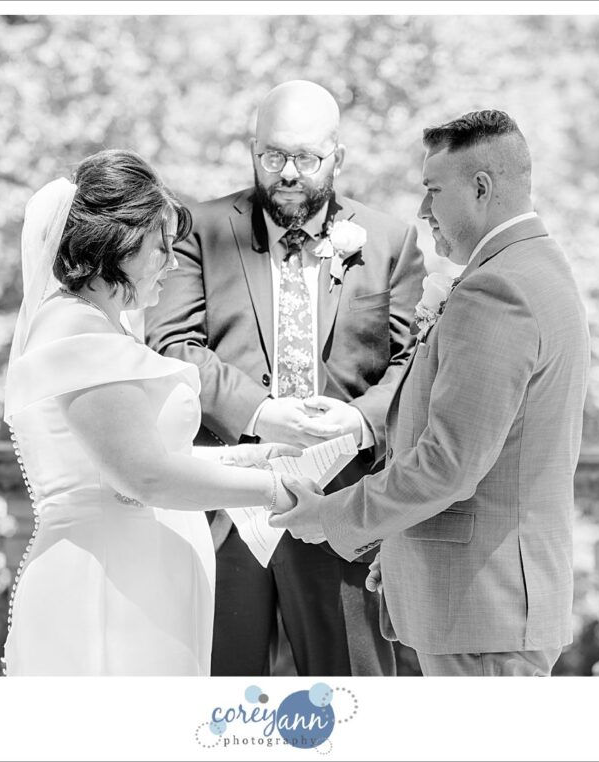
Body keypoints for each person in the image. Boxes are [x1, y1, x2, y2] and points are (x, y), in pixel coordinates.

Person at [272, 110, 591, 677]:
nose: (422, 211)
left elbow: (448, 463)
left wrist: (328, 516)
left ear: (482, 188)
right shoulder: (535, 266)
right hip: (485, 606)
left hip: (486, 614)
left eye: (433, 190)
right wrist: (396, 551)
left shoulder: (498, 288)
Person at [144, 80, 426, 676]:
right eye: (272, 156)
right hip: (224, 506)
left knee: (351, 697)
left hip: (343, 505)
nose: (288, 173)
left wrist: (363, 419)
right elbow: (171, 343)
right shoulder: (200, 228)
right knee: (219, 700)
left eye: (306, 157)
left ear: (337, 157)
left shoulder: (390, 241)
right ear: (253, 150)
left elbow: (413, 362)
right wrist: (260, 413)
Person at [1, 149, 305, 676]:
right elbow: (143, 476)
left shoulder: (104, 327)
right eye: (160, 244)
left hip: (142, 583)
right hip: (105, 584)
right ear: (117, 241)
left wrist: (251, 462)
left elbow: (148, 452)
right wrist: (278, 492)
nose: (171, 260)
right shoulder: (74, 330)